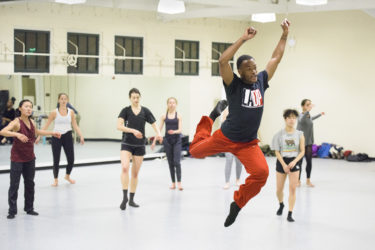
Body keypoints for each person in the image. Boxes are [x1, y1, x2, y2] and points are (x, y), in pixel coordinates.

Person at [189, 19, 291, 227]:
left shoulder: (262, 80)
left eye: (255, 68)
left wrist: (284, 35)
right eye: (249, 69)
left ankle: (237, 204)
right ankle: (210, 118)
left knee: (261, 174)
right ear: (241, 72)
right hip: (225, 138)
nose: (254, 71)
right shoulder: (233, 84)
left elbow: (276, 58)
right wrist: (243, 39)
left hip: (248, 144)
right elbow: (222, 61)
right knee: (195, 152)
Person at [0, 99, 61, 219]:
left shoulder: (32, 121)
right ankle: (12, 210)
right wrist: (17, 134)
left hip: (30, 158)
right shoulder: (16, 122)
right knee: (14, 185)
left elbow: (37, 131)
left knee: (30, 184)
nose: (29, 108)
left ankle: (29, 208)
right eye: (26, 106)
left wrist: (52, 133)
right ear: (20, 109)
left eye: (30, 107)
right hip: (17, 158)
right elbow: (3, 131)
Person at [117, 88, 163, 210]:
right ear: (130, 98)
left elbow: (154, 124)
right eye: (133, 97)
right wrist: (133, 130)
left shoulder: (145, 111)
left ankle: (131, 199)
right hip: (127, 143)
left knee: (135, 174)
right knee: (125, 168)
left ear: (140, 97)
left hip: (140, 145)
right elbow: (119, 126)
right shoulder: (125, 111)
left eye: (138, 97)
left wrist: (158, 133)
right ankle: (124, 196)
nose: (136, 99)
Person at [36, 93, 84, 186]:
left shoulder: (71, 112)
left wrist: (81, 135)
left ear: (67, 100)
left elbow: (75, 125)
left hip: (68, 136)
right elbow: (47, 125)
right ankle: (56, 179)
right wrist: (39, 136)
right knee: (56, 159)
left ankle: (67, 176)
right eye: (61, 99)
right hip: (56, 136)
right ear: (58, 100)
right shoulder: (54, 112)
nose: (63, 100)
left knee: (71, 159)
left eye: (65, 99)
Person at [271, 109, 305, 222]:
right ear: (285, 119)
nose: (292, 120)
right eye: (290, 117)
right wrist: (284, 164)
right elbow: (276, 151)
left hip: (294, 161)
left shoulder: (300, 134)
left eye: (294, 118)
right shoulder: (278, 135)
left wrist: (295, 161)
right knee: (279, 190)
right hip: (282, 161)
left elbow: (302, 151)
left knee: (292, 189)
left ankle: (290, 213)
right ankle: (281, 204)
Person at [152, 97, 183, 190]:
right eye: (170, 102)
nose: (172, 104)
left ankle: (179, 183)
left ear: (176, 104)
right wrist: (154, 141)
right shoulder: (164, 116)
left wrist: (174, 132)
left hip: (177, 140)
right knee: (170, 162)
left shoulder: (178, 116)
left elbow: (180, 129)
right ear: (167, 104)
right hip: (167, 141)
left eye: (173, 103)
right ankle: (173, 183)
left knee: (177, 162)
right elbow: (159, 130)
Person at [297, 99, 325, 187]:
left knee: (309, 161)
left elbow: (311, 119)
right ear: (303, 106)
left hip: (308, 142)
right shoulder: (300, 116)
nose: (309, 106)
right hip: (301, 142)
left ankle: (308, 180)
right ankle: (298, 180)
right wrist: (308, 111)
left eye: (310, 104)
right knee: (299, 162)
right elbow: (301, 120)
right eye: (307, 104)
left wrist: (320, 114)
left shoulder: (308, 115)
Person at [221, 108, 242, 189]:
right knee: (229, 159)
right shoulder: (226, 110)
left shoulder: (240, 109)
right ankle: (227, 181)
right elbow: (223, 125)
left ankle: (238, 179)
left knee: (239, 161)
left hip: (238, 140)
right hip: (228, 140)